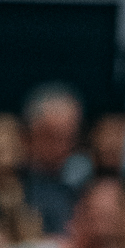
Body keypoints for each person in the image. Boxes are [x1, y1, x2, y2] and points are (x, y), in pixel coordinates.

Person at [20, 85, 87, 235]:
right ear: (27, 135)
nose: (61, 147)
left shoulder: (84, 187)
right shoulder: (9, 185)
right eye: (51, 137)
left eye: (69, 138)